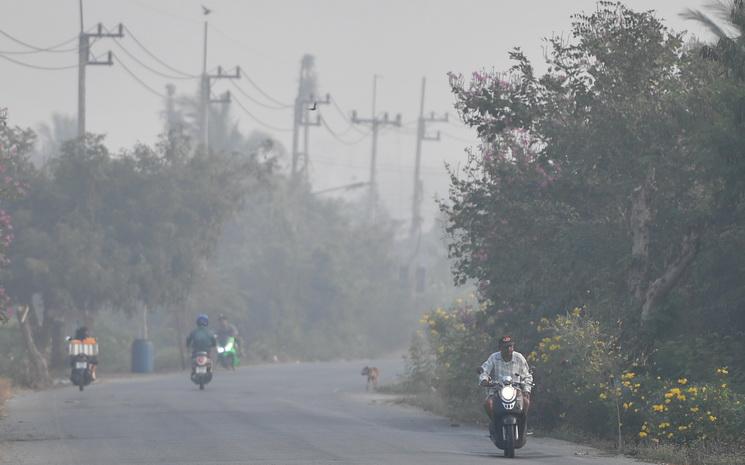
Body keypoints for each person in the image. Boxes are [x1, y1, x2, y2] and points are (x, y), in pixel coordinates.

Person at [479, 335, 533, 436]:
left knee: (526, 402)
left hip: (516, 389)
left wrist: (526, 389)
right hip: (497, 389)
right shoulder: (494, 358)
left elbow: (527, 375)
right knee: (488, 404)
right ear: (500, 348)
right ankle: (495, 424)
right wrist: (484, 380)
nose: (508, 349)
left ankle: (523, 425)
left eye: (510, 346)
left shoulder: (519, 358)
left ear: (513, 347)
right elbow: (484, 370)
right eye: (505, 347)